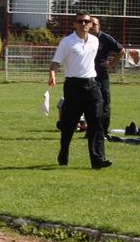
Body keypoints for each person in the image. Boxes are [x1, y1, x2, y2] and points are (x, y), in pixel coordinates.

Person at [48, 12, 111, 169]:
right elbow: (55, 62)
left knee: (96, 122)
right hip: (73, 86)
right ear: (74, 24)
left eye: (87, 21)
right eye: (80, 21)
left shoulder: (95, 41)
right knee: (69, 124)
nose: (83, 24)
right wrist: (53, 74)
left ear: (91, 24)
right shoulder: (67, 42)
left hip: (92, 85)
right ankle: (63, 154)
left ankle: (98, 159)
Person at [90, 16, 124, 133]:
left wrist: (111, 64)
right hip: (87, 75)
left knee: (104, 101)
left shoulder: (105, 38)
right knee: (90, 103)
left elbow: (121, 51)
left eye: (94, 24)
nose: (92, 26)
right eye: (90, 23)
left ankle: (103, 131)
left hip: (101, 74)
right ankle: (91, 131)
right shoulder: (84, 38)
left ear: (99, 26)